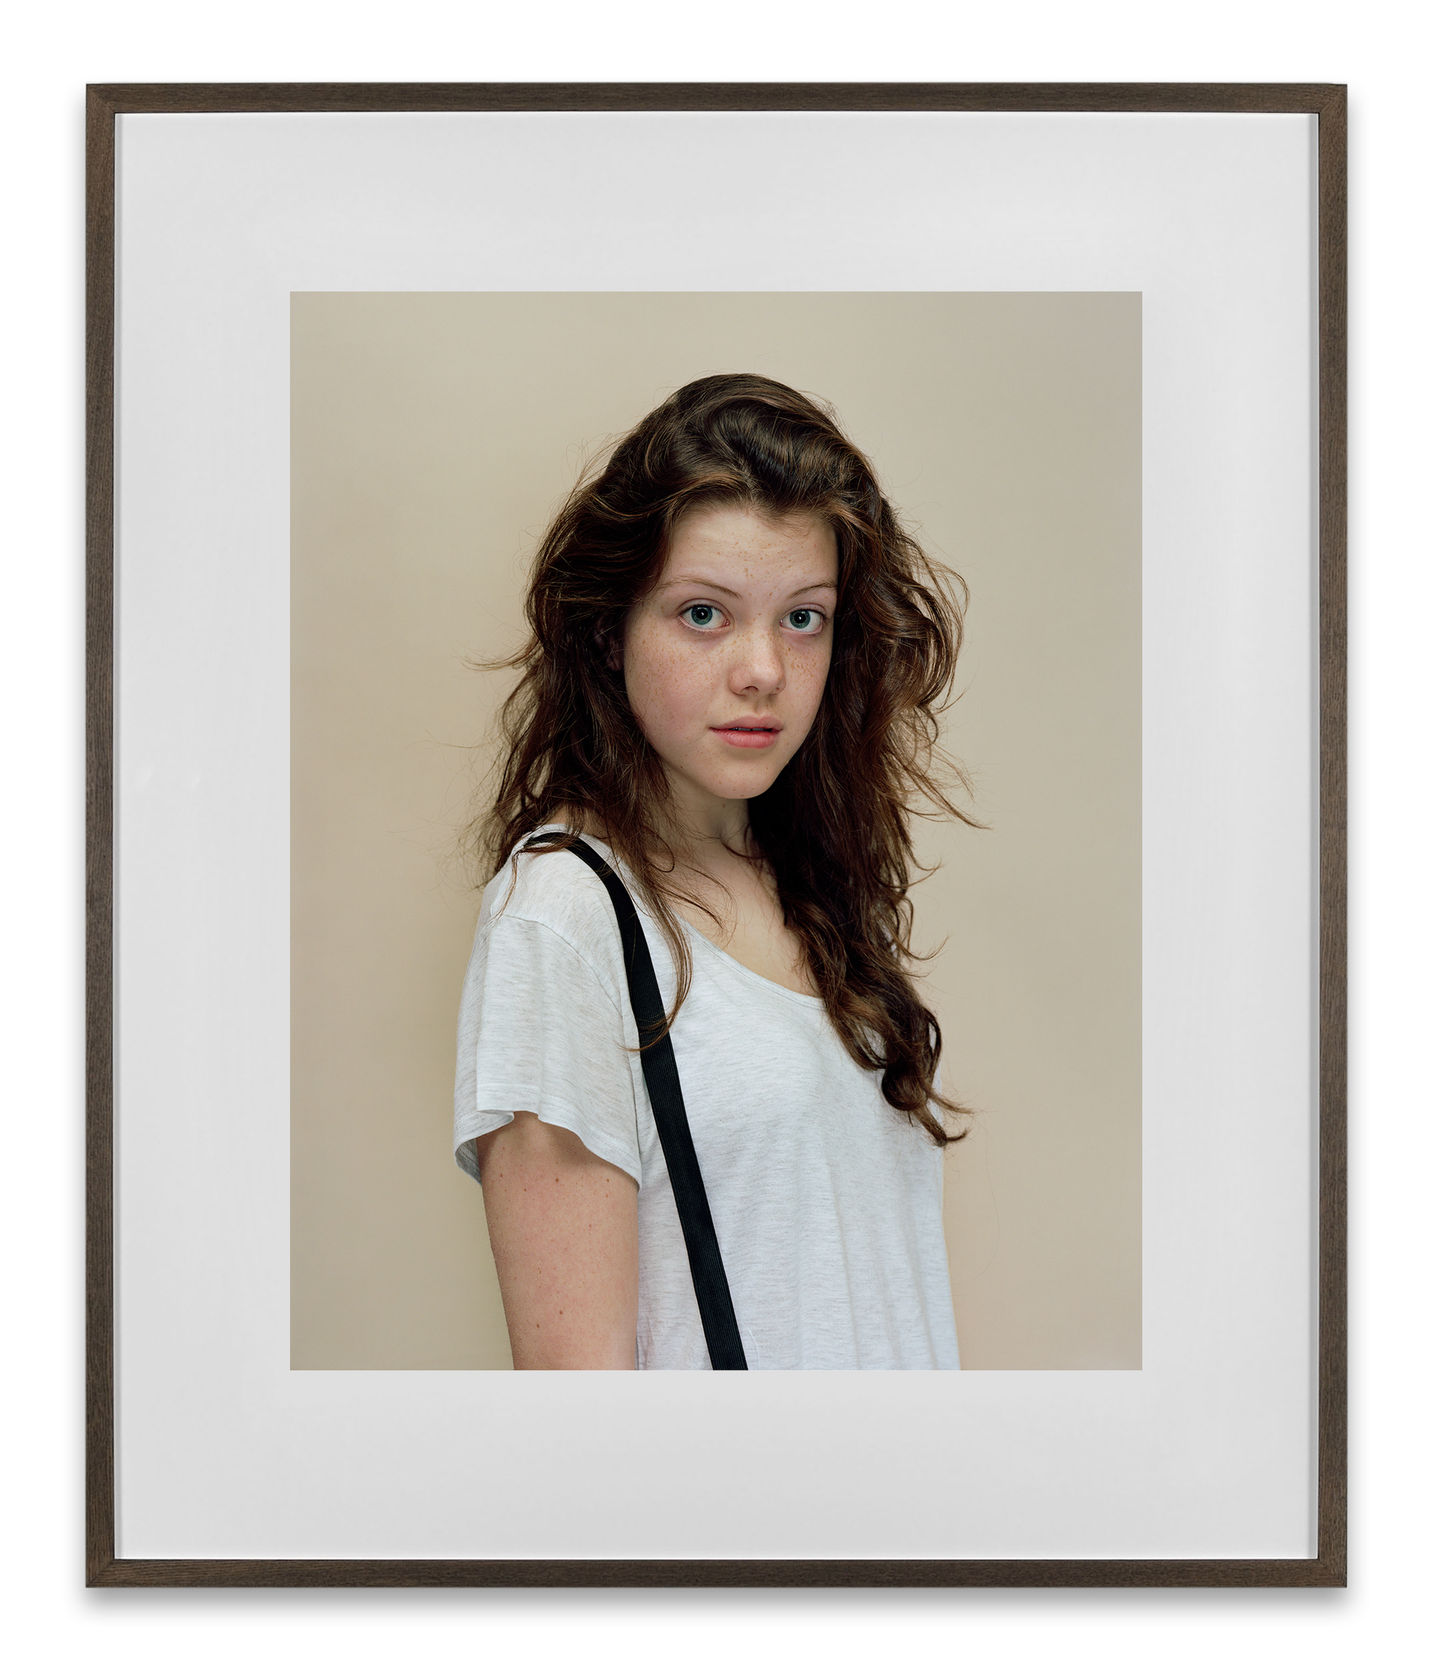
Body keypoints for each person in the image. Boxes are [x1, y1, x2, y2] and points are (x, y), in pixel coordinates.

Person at [453, 372, 979, 1370]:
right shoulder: (565, 914)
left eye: (802, 617)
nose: (762, 670)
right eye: (703, 614)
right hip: (753, 1525)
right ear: (609, 631)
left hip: (917, 1517)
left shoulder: (805, 884)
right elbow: (579, 1409)